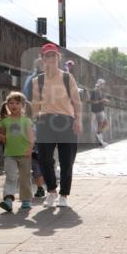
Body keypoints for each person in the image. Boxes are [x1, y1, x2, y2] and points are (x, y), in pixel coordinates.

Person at [31, 42, 82, 208]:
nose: (51, 58)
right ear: (43, 59)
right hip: (45, 121)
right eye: (47, 56)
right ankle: (51, 191)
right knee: (44, 159)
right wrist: (33, 122)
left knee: (67, 160)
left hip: (66, 121)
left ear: (58, 58)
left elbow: (77, 101)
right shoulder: (37, 80)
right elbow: (35, 103)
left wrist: (78, 120)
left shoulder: (67, 77)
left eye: (54, 55)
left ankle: (64, 195)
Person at [0, 92, 34, 213]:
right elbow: (3, 136)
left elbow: (31, 137)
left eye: (17, 103)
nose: (14, 105)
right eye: (11, 103)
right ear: (7, 105)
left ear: (23, 105)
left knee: (25, 177)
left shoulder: (26, 120)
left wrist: (30, 148)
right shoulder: (4, 121)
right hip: (10, 154)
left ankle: (26, 199)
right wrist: (0, 137)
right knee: (10, 176)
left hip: (25, 154)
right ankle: (8, 199)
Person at [90, 79, 110, 146]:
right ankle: (100, 140)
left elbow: (98, 100)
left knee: (105, 123)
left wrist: (103, 101)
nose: (103, 86)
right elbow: (93, 102)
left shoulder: (98, 91)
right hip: (97, 110)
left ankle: (100, 138)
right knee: (101, 123)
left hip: (101, 110)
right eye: (103, 84)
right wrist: (103, 100)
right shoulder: (95, 91)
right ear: (100, 84)